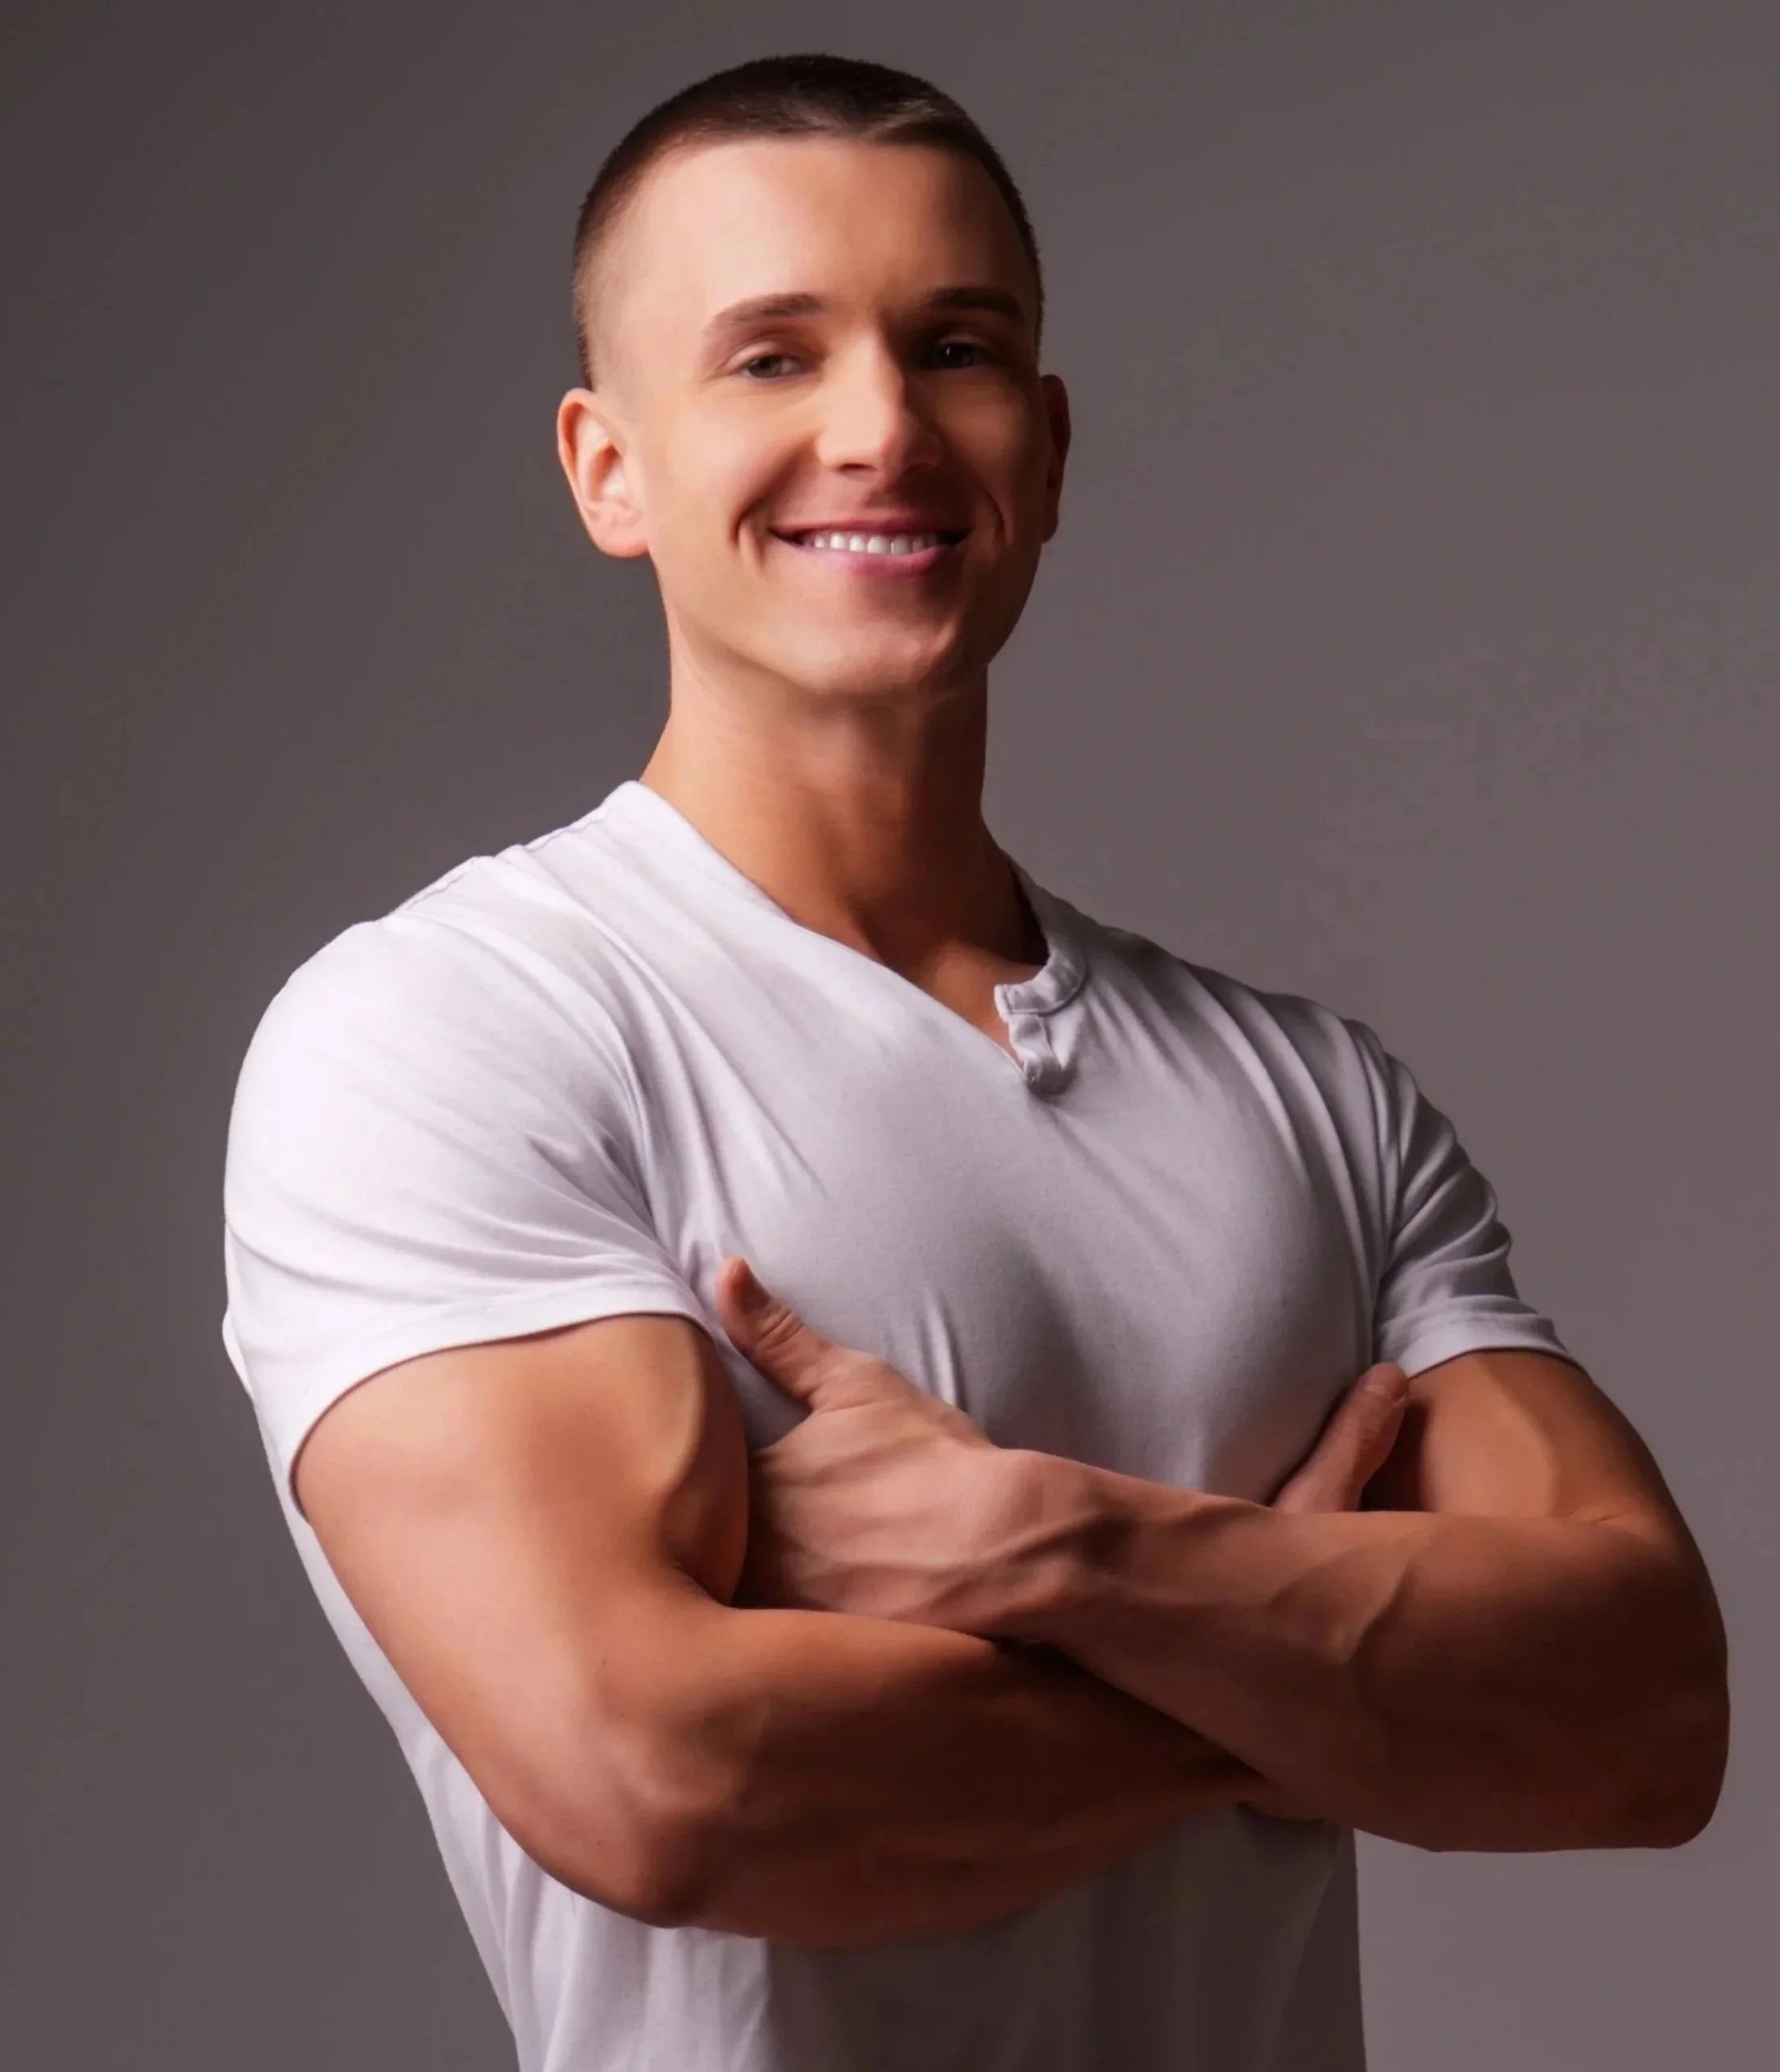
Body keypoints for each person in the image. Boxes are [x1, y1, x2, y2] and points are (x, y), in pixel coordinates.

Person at [218, 51, 1728, 2072]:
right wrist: (1302, 1677)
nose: (881, 430)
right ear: (608, 468)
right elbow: (662, 1782)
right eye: (772, 357)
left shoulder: (1314, 1101)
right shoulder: (453, 1034)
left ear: (1050, 439)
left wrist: (1058, 1547)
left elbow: (1648, 1717)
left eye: (956, 348)